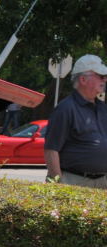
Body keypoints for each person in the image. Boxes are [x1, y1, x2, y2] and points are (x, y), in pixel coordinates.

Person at [44, 54, 107, 188]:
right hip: (74, 181)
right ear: (83, 79)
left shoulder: (102, 108)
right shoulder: (65, 109)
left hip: (103, 181)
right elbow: (51, 150)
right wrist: (58, 185)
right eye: (101, 76)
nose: (105, 79)